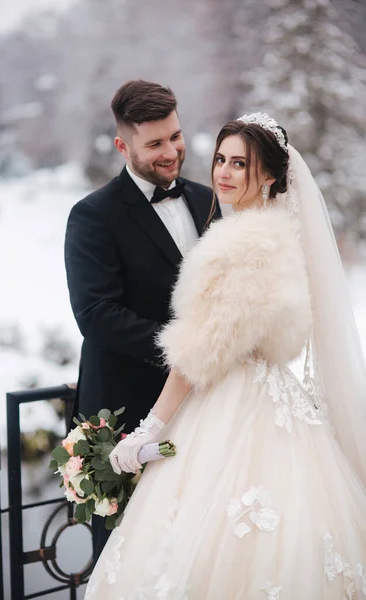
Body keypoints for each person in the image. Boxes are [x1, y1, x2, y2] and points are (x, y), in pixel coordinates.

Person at [84, 113, 366, 599]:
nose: (224, 172)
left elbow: (197, 355)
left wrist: (149, 430)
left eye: (241, 163)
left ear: (272, 175)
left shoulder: (239, 244)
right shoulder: (279, 233)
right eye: (220, 159)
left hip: (228, 408)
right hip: (279, 402)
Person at [64, 80, 221, 560]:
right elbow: (97, 314)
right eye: (154, 143)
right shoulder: (92, 216)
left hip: (207, 410)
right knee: (130, 558)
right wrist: (189, 350)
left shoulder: (209, 200)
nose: (171, 151)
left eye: (175, 136)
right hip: (127, 413)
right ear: (122, 145)